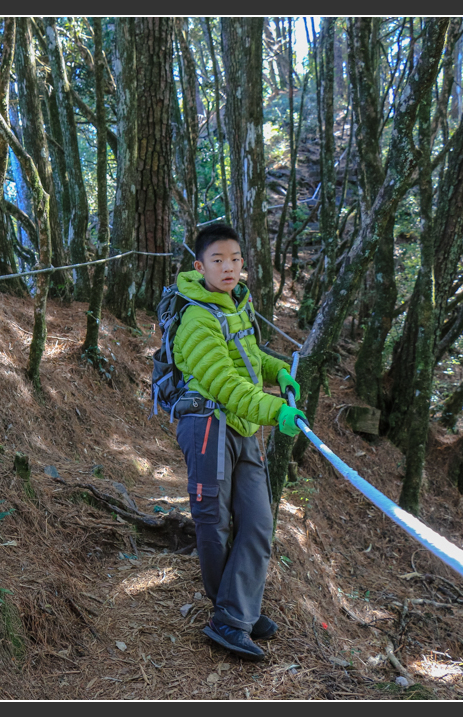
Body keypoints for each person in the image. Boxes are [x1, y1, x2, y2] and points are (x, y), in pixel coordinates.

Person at [172, 222, 307, 661]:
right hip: (209, 424)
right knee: (215, 521)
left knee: (258, 521)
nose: (227, 267)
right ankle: (229, 616)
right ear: (199, 266)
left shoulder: (236, 306)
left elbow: (249, 356)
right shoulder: (196, 318)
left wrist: (278, 370)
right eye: (217, 260)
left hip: (244, 429)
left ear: (243, 265)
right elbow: (224, 383)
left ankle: (239, 609)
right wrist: (275, 411)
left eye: (234, 259)